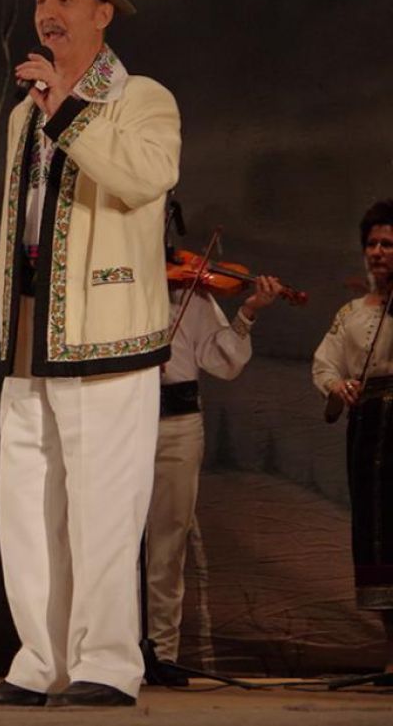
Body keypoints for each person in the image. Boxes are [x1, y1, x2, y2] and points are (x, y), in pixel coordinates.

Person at [0, 0, 181, 707]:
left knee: (104, 510)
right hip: (31, 336)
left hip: (107, 338)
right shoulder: (23, 115)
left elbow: (144, 176)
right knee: (28, 511)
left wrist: (67, 109)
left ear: (103, 13)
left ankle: (107, 663)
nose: (47, 10)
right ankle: (40, 662)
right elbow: (19, 228)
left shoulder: (141, 99)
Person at [146, 273, 279, 684]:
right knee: (111, 540)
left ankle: (161, 652)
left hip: (177, 422)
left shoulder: (191, 294)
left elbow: (224, 361)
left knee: (168, 541)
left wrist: (248, 313)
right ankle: (108, 649)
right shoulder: (115, 287)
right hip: (118, 418)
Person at [312, 199, 393, 677]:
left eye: (388, 244)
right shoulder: (352, 313)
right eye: (372, 244)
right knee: (377, 535)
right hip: (371, 431)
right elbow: (324, 362)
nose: (378, 252)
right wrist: (338, 386)